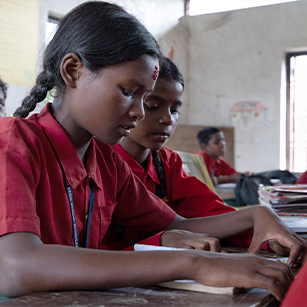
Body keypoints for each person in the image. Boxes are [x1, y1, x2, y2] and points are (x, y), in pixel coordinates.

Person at [0, 1, 305, 302]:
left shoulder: (105, 159)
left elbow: (177, 225)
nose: (139, 113)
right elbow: (17, 267)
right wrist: (194, 264)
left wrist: (256, 215)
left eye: (144, 97)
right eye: (128, 92)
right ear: (72, 71)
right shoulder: (13, 142)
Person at [113, 56, 252, 249]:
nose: (167, 119)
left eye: (175, 109)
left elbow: (210, 211)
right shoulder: (100, 163)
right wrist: (160, 243)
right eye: (153, 106)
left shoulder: (167, 162)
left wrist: (263, 234)